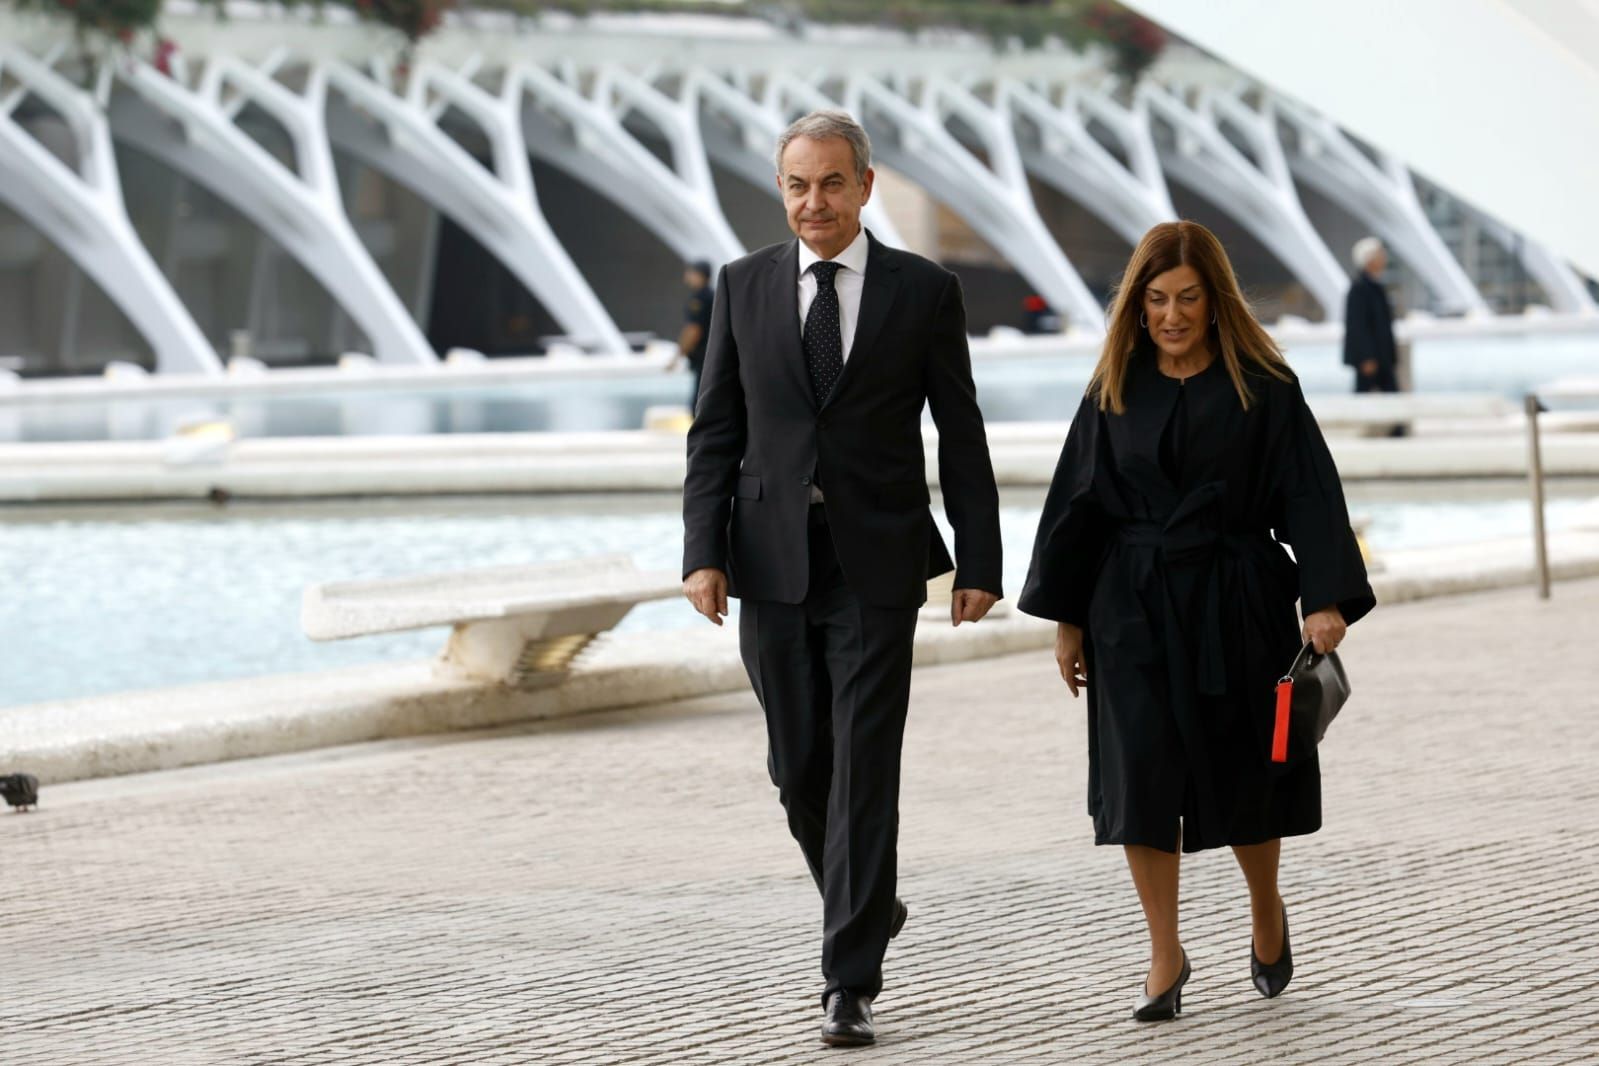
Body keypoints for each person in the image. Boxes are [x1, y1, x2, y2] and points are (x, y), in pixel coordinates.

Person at [681, 109, 1003, 1048]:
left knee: (865, 765)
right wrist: (702, 551)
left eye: (830, 183)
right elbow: (715, 429)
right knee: (796, 770)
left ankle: (847, 981)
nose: (812, 202)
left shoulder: (923, 291)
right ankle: (865, 900)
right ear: (780, 190)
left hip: (878, 560)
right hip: (769, 556)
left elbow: (961, 431)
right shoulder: (742, 285)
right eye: (797, 185)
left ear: (864, 185)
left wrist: (979, 560)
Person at [1018, 220, 1374, 1023]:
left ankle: (1264, 908)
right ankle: (1164, 953)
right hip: (1129, 603)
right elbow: (1077, 503)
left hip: (1235, 595)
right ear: (1136, 306)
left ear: (1215, 302)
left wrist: (1323, 599)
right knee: (1139, 775)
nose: (1170, 316)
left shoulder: (1263, 386)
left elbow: (1310, 493)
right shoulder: (1113, 385)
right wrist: (1066, 620)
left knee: (1246, 768)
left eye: (1186, 298)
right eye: (1155, 300)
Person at [1343, 236, 1399, 394]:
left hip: (1381, 356)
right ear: (1369, 260)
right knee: (1366, 396)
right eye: (1380, 254)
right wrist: (1365, 357)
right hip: (1370, 359)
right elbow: (1357, 325)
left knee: (1389, 397)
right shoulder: (1359, 288)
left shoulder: (1376, 287)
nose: (1384, 258)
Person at [678, 259, 715, 412]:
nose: (687, 277)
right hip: (712, 354)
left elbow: (694, 330)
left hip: (703, 355)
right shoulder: (713, 294)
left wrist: (680, 353)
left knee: (698, 404)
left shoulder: (700, 299)